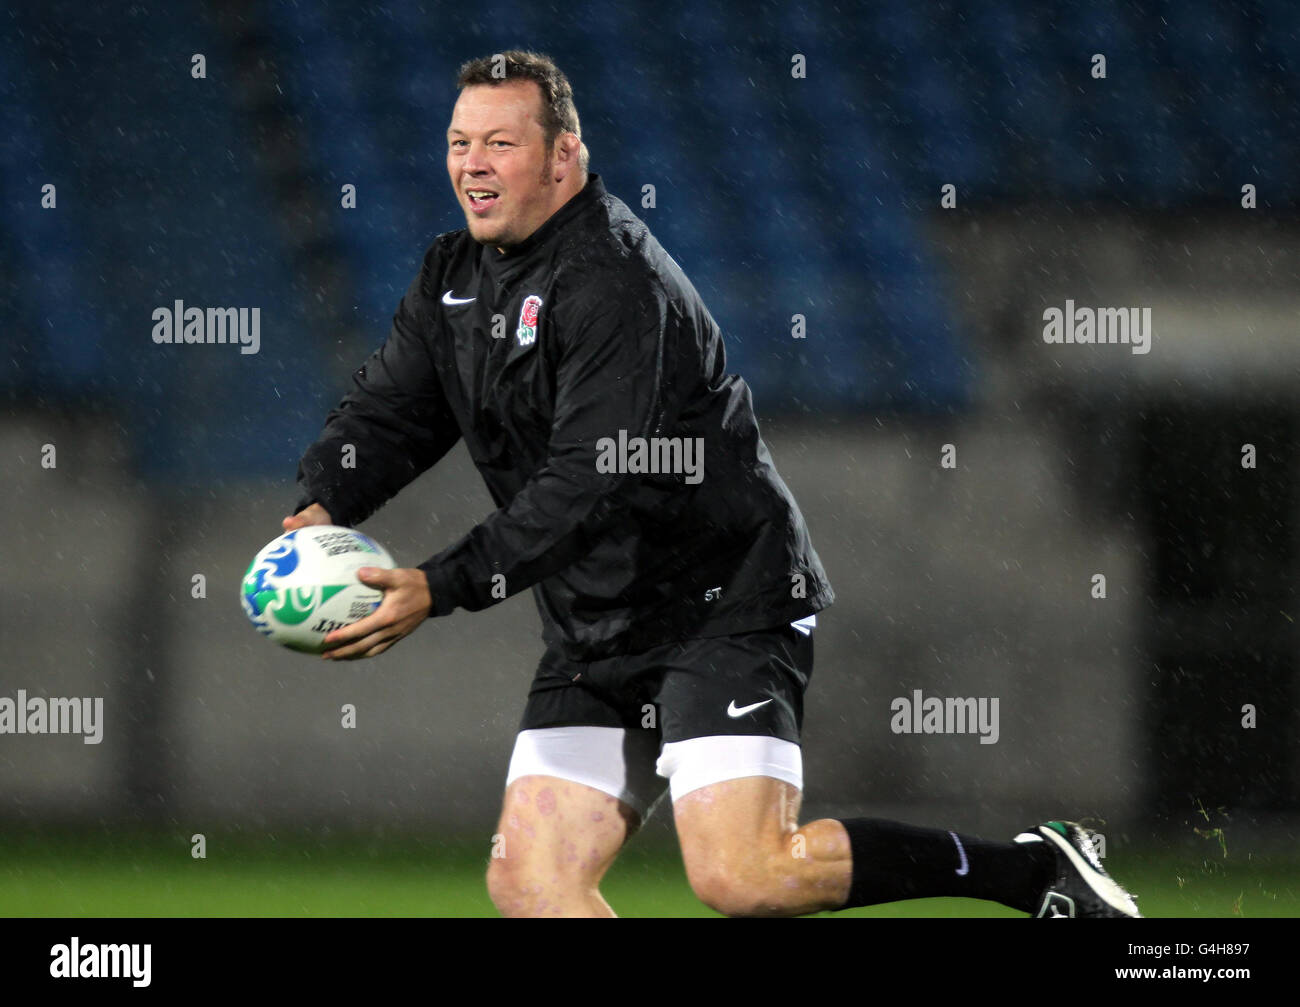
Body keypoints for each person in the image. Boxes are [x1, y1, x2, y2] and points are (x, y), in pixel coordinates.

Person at [284, 50, 1141, 919]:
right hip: (598, 629)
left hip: (720, 603)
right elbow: (393, 409)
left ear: (563, 157)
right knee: (531, 879)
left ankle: (1033, 873)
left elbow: (591, 480)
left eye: (500, 142)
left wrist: (440, 584)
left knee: (744, 874)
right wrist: (323, 497)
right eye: (459, 141)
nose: (471, 163)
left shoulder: (615, 282)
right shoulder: (452, 276)